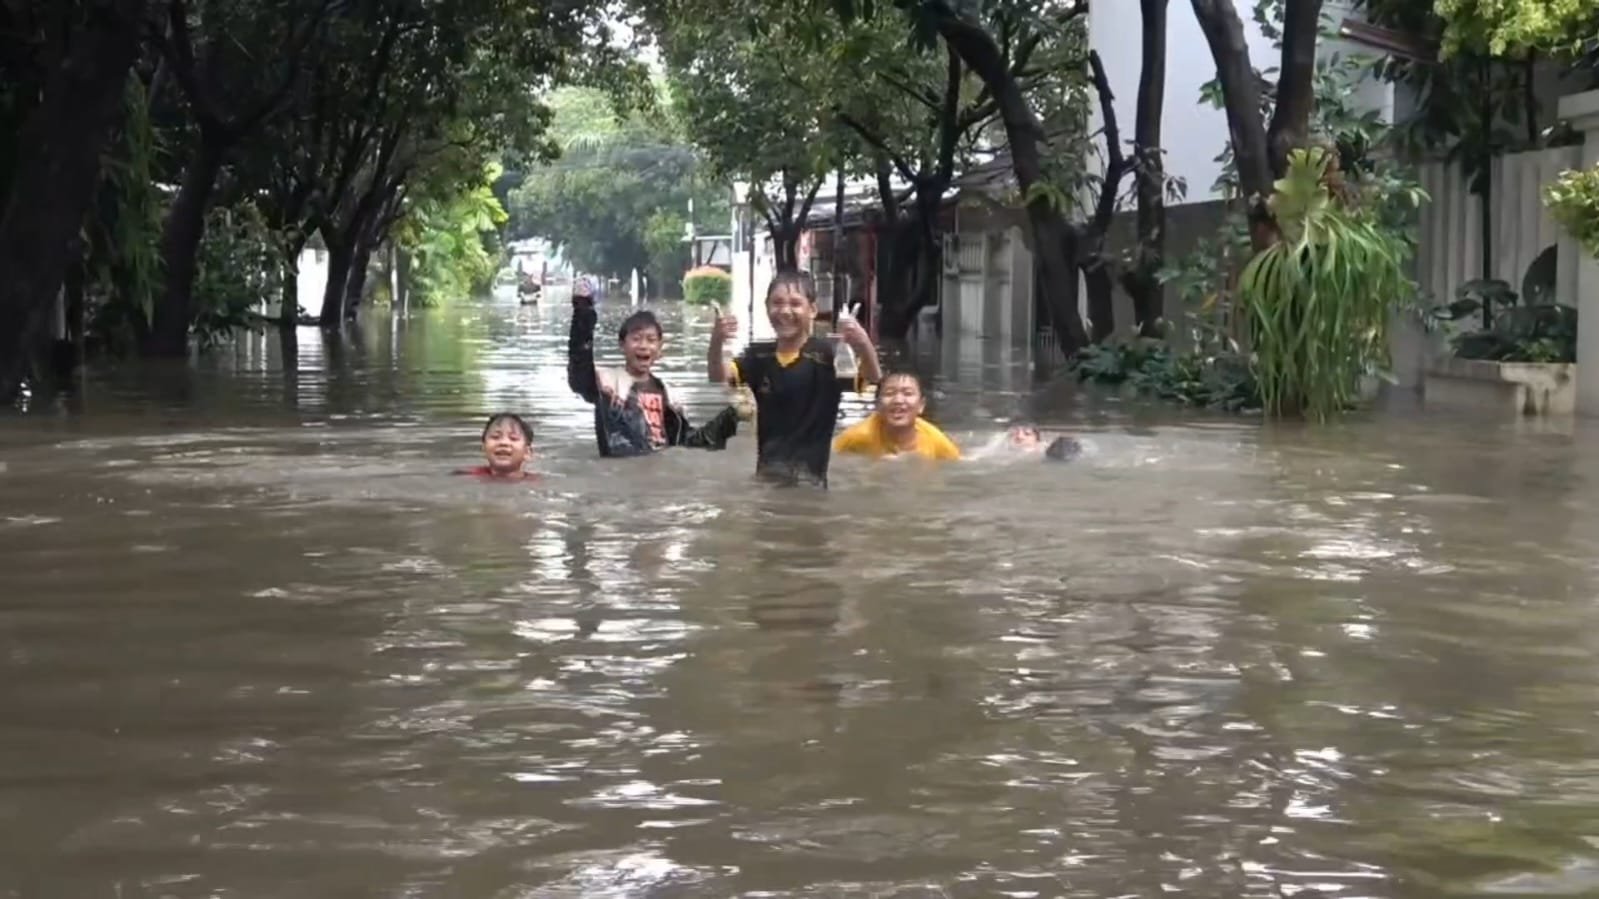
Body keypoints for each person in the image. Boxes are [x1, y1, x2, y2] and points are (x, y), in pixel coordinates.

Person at [707, 270, 882, 486]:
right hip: (767, 478)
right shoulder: (758, 356)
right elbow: (717, 376)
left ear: (813, 310)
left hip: (811, 482)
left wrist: (863, 344)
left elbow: (873, 378)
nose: (785, 311)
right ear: (767, 308)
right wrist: (716, 341)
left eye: (795, 303)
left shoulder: (829, 355)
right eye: (777, 303)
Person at [568, 276, 741, 457]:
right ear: (622, 345)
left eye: (651, 340)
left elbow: (689, 442)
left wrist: (732, 417)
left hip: (660, 472)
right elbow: (579, 369)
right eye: (636, 339)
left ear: (659, 349)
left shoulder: (669, 396)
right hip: (620, 475)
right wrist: (583, 311)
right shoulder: (608, 384)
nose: (643, 345)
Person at [833, 371, 960, 461]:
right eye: (889, 393)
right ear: (878, 405)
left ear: (921, 405)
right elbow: (830, 457)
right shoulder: (859, 435)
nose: (898, 400)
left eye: (908, 393)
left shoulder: (936, 442)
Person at [456, 412, 535, 480]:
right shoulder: (467, 477)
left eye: (513, 438)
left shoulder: (534, 483)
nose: (503, 443)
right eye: (495, 437)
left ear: (527, 453)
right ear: (483, 448)